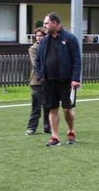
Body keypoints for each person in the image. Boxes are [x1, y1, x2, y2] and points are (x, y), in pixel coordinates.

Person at [35, 12, 82, 147]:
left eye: (46, 23)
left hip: (66, 81)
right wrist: (40, 76)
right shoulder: (44, 41)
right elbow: (38, 60)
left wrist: (75, 78)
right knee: (52, 109)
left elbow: (77, 60)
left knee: (67, 109)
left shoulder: (70, 38)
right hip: (49, 81)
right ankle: (55, 137)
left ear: (55, 23)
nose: (44, 26)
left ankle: (71, 131)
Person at [26, 27, 51, 136]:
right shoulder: (33, 49)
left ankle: (47, 126)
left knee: (48, 105)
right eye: (37, 36)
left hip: (49, 80)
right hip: (36, 80)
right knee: (36, 104)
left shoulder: (50, 47)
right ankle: (32, 127)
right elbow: (36, 64)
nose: (39, 38)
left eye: (41, 36)